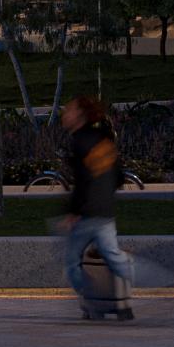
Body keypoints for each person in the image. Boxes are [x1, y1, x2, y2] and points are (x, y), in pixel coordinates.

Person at [60, 94, 133, 319]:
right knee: (113, 256)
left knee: (72, 263)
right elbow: (118, 176)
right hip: (105, 211)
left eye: (69, 110)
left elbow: (82, 181)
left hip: (88, 215)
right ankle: (128, 290)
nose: (65, 114)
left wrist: (74, 212)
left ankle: (93, 301)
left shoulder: (80, 141)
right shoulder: (103, 138)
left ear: (79, 116)